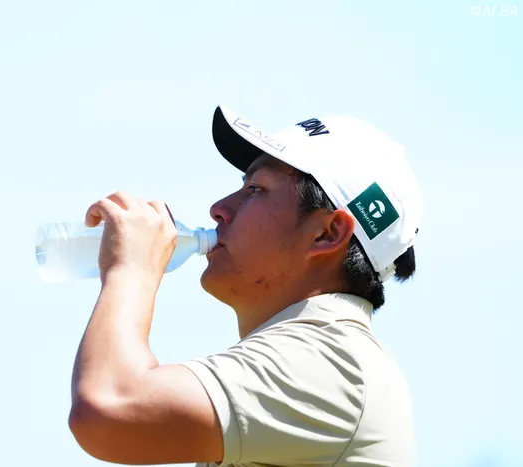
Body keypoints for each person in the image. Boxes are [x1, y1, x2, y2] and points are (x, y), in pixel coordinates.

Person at [68, 105, 424, 466]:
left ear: (327, 233)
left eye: (255, 188)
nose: (218, 208)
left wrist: (131, 269)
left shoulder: (333, 361)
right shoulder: (323, 354)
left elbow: (110, 406)